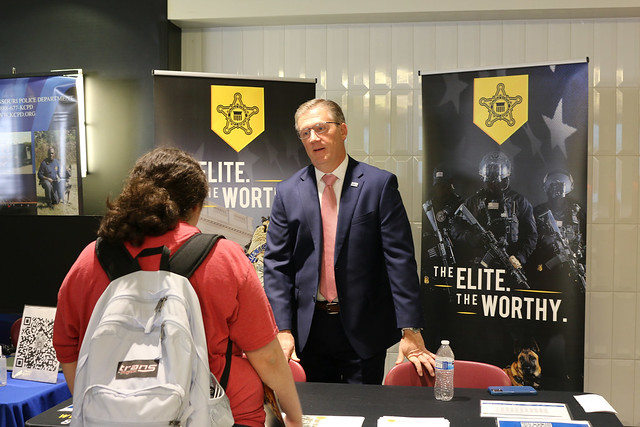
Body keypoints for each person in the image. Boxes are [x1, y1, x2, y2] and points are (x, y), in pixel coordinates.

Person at [53, 147, 302, 427]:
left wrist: (109, 410)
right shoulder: (223, 257)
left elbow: (68, 350)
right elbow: (267, 357)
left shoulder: (91, 259)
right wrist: (293, 415)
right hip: (223, 414)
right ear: (195, 207)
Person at [263, 98, 435, 384]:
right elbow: (277, 266)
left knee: (364, 413)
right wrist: (282, 329)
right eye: (305, 133)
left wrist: (410, 327)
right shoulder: (288, 192)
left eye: (320, 128)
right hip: (308, 331)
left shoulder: (379, 186)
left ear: (342, 130)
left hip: (364, 328)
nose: (313, 138)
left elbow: (399, 260)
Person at [451, 151, 537, 279]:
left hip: (510, 262)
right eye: (490, 181)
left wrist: (519, 257)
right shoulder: (473, 202)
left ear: (505, 179)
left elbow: (531, 235)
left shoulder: (519, 201)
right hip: (479, 264)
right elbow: (456, 228)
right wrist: (471, 237)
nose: (493, 185)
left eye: (497, 181)